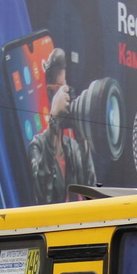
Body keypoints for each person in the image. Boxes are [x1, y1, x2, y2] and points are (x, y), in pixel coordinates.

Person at [27, 48, 97, 204]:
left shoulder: (72, 147)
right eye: (59, 90)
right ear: (51, 94)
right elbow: (43, 194)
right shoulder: (37, 145)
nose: (65, 97)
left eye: (67, 90)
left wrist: (81, 131)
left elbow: (91, 190)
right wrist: (54, 120)